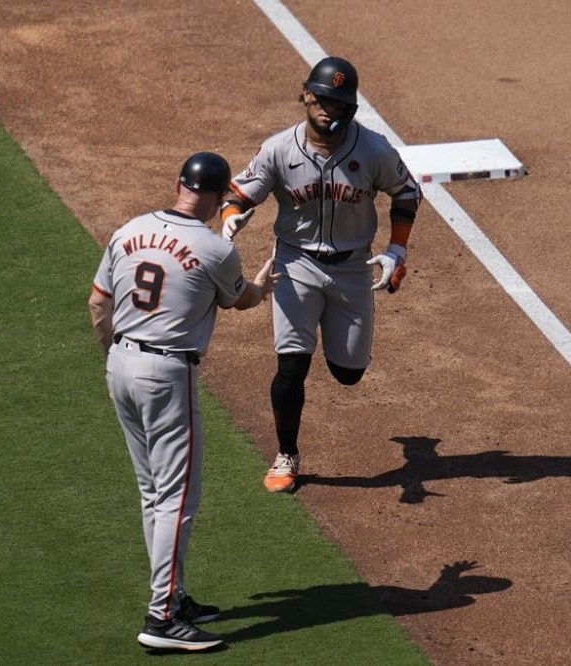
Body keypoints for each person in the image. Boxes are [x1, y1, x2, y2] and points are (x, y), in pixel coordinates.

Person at [88, 151, 279, 651]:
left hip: (120, 364)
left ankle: (173, 596)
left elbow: (97, 304)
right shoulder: (216, 250)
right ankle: (162, 618)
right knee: (178, 497)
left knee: (153, 491)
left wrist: (115, 358)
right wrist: (260, 286)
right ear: (220, 200)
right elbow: (238, 300)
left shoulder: (127, 230)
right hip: (167, 373)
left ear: (179, 185)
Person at [220, 56, 422, 493]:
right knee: (292, 365)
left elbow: (406, 191)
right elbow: (238, 194)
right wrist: (232, 216)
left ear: (350, 107)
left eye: (339, 101)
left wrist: (397, 250)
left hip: (353, 269)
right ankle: (286, 454)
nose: (329, 108)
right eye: (323, 98)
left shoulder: (373, 150)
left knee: (348, 374)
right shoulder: (279, 149)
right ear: (307, 95)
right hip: (295, 265)